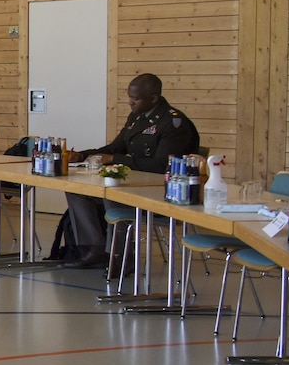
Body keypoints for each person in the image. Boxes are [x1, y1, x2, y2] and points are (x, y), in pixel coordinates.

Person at [57, 74, 200, 267]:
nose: (130, 102)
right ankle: (92, 248)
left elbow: (160, 166)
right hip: (134, 183)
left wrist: (115, 160)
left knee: (112, 195)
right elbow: (115, 148)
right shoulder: (137, 117)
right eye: (129, 96)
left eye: (135, 98)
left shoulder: (173, 123)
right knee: (78, 191)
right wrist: (82, 155)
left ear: (153, 98)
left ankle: (119, 256)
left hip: (162, 191)